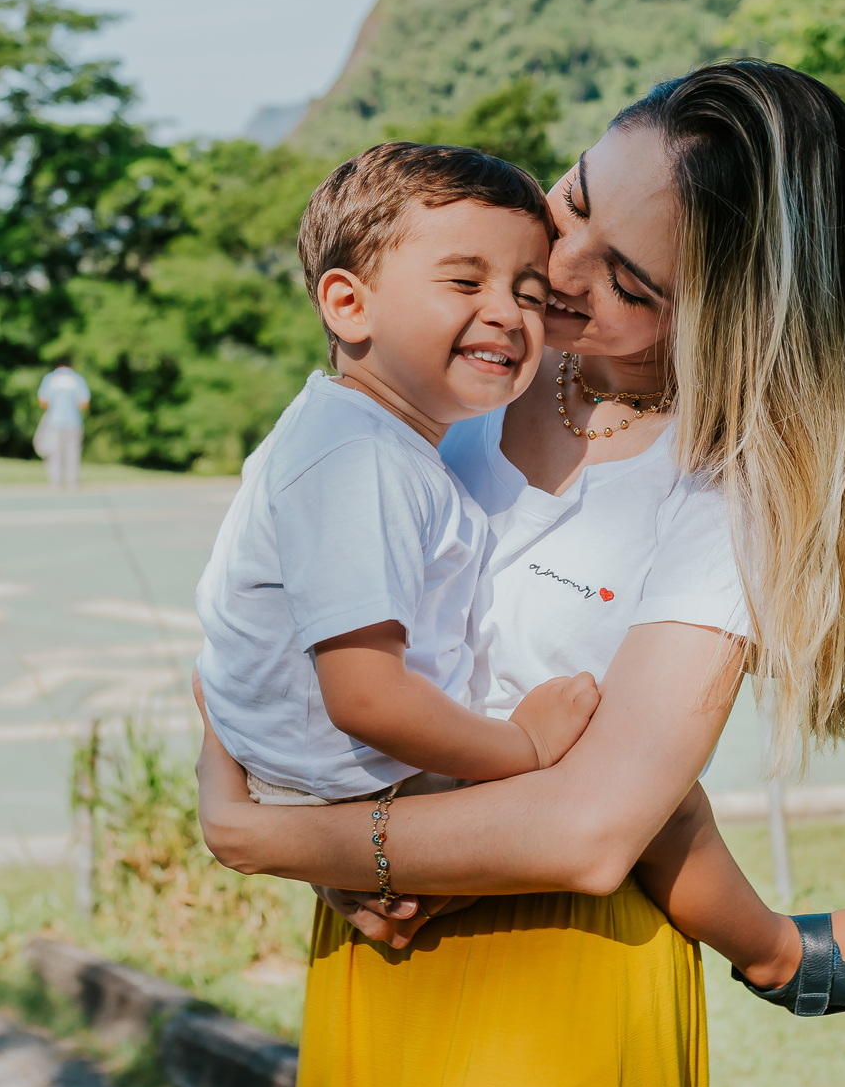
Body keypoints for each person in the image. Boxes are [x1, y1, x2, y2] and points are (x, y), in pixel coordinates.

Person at [195, 61, 845, 1087]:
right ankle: (781, 951)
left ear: (727, 320)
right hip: (375, 944)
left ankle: (779, 953)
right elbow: (265, 595)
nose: (558, 275)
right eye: (578, 200)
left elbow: (596, 831)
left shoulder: (723, 491)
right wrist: (258, 790)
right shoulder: (452, 363)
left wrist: (268, 836)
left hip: (557, 989)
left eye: (632, 283)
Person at [196, 142, 602, 812]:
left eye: (529, 294)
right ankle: (781, 926)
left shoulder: (358, 433)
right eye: (466, 283)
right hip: (360, 785)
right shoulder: (361, 462)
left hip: (327, 778)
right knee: (649, 808)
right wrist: (522, 747)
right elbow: (367, 698)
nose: (507, 312)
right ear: (349, 306)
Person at [35, 358, 90, 490]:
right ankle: (73, 483)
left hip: (54, 422)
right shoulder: (77, 379)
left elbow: (43, 402)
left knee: (55, 453)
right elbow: (84, 403)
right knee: (73, 453)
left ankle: (56, 483)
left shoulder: (50, 378)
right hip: (74, 422)